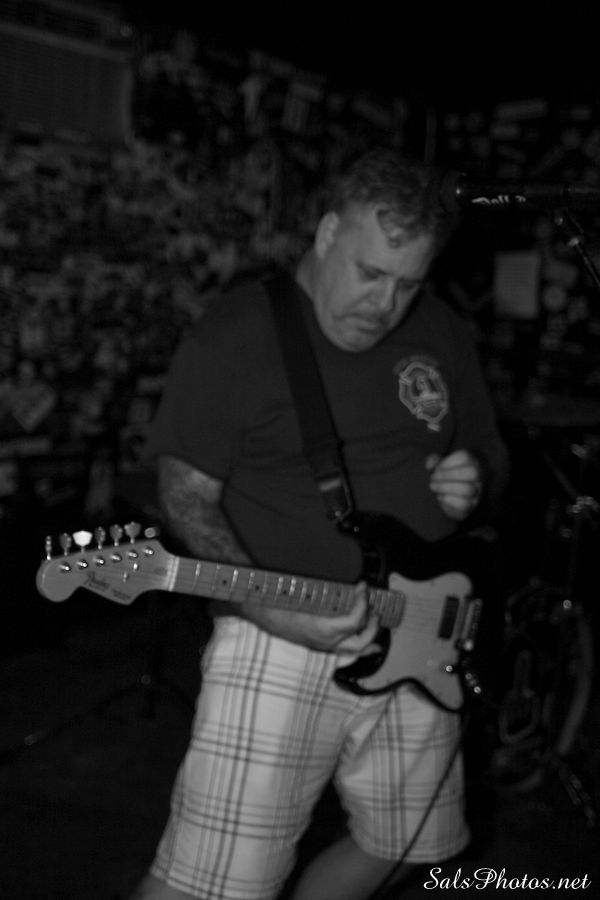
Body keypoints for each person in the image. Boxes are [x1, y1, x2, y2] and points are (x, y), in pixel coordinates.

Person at [131, 147, 509, 900]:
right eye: (370, 273)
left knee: (408, 843)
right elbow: (185, 497)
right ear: (329, 233)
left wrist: (475, 478)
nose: (384, 303)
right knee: (211, 886)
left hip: (427, 630)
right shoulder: (236, 333)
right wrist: (260, 602)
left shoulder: (441, 329)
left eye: (408, 284)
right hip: (277, 636)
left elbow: (489, 452)